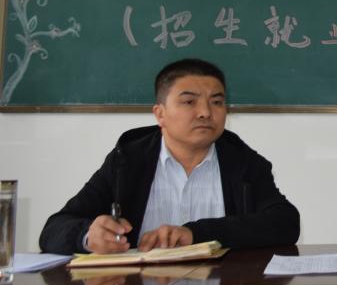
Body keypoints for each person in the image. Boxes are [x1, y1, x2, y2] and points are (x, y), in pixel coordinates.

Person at [39, 58, 300, 254]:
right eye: (189, 102)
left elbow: (285, 223)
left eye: (217, 102)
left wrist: (197, 234)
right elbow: (54, 229)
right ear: (160, 114)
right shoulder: (127, 161)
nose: (205, 112)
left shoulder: (242, 162)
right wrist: (87, 236)